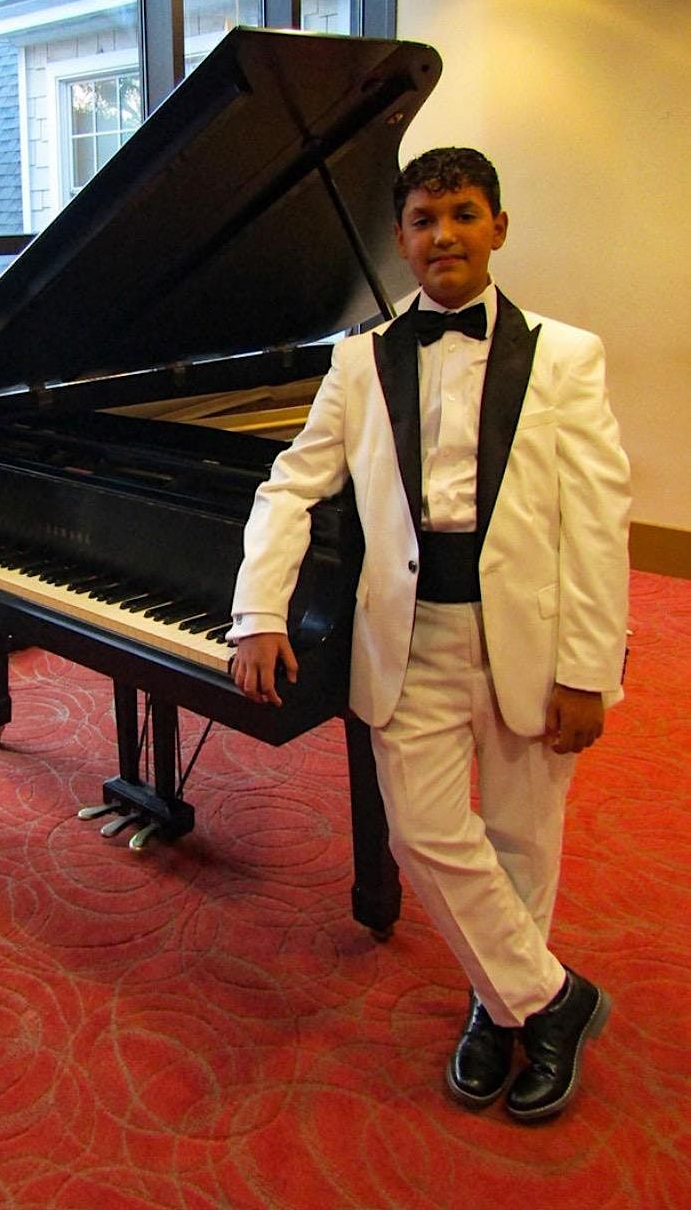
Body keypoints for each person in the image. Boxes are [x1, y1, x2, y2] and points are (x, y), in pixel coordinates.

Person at [229, 147, 630, 1122]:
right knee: (421, 833)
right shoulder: (357, 361)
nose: (442, 234)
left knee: (522, 838)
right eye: (422, 219)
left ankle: (497, 1009)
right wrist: (259, 610)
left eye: (462, 214)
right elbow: (291, 485)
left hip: (529, 637)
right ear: (400, 240)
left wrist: (589, 669)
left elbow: (597, 518)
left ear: (497, 227)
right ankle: (551, 998)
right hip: (404, 638)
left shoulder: (566, 355)